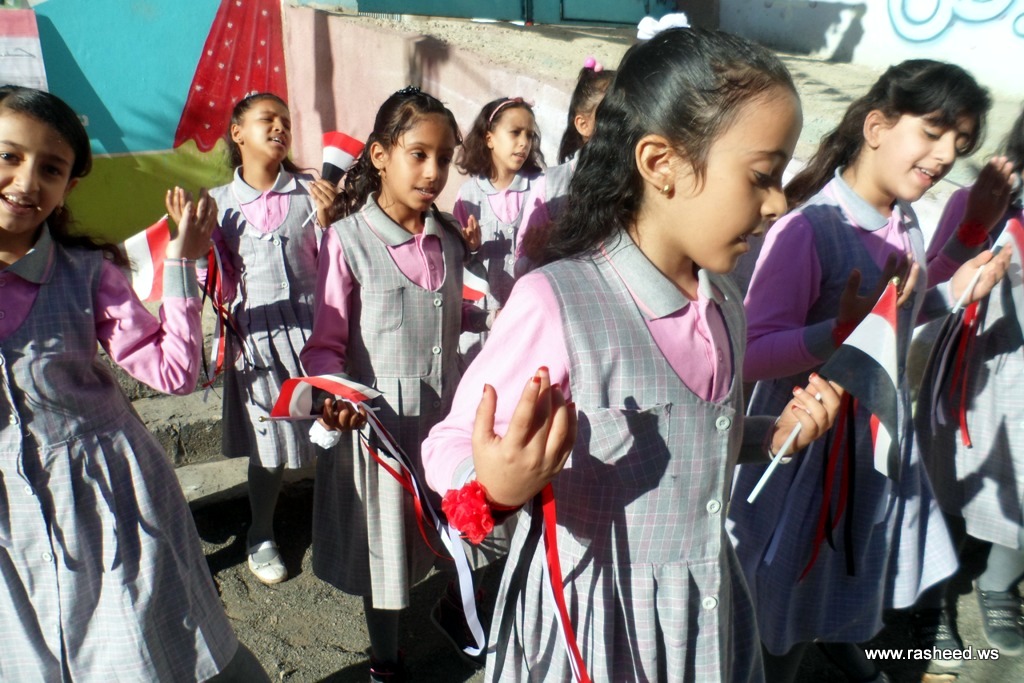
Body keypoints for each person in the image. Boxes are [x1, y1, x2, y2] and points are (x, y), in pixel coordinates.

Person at [421, 28, 843, 682]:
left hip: (704, 614)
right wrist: (494, 486)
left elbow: (702, 432)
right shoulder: (559, 303)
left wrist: (772, 434)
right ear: (659, 162)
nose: (778, 202)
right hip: (597, 627)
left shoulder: (725, 303)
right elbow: (448, 441)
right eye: (762, 175)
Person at [727, 60, 1012, 683]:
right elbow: (753, 351)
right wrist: (834, 333)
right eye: (933, 131)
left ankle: (842, 648)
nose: (946, 154)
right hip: (804, 454)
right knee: (782, 599)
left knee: (847, 574)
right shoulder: (808, 229)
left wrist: (957, 279)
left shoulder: (902, 219)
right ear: (877, 127)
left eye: (960, 143)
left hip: (870, 446)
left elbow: (901, 311)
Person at [0, 85, 268, 681]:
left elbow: (174, 372)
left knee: (157, 649)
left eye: (51, 168)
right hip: (10, 521)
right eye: (8, 156)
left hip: (109, 499)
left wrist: (183, 264)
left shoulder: (85, 274)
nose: (26, 181)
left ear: (69, 187)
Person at [299, 86, 484, 681]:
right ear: (380, 156)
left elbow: (452, 314)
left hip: (446, 418)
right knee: (386, 552)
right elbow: (325, 344)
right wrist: (334, 399)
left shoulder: (449, 239)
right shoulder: (348, 240)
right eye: (418, 155)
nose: (434, 173)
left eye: (445, 159)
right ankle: (386, 659)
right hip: (380, 430)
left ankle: (456, 608)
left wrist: (495, 317)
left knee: (463, 528)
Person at [192, 92, 337, 585]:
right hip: (257, 342)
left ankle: (339, 522)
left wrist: (330, 223)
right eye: (266, 119)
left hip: (316, 336)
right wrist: (200, 252)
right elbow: (216, 283)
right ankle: (260, 531)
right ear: (237, 133)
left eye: (285, 121)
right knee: (267, 445)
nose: (279, 127)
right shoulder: (218, 204)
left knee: (333, 435)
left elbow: (337, 265)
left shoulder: (311, 191)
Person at [914, 108, 1024, 660]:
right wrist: (980, 225)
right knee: (953, 480)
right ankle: (930, 596)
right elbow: (935, 277)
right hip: (978, 372)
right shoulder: (989, 201)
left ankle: (999, 582)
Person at [452, 96, 544, 362]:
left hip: (527, 314)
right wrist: (470, 247)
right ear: (489, 138)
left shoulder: (541, 188)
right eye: (515, 132)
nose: (524, 143)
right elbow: (457, 266)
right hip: (482, 319)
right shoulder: (469, 195)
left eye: (529, 135)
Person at [516, 58, 616, 274]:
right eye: (610, 115)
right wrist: (536, 254)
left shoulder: (635, 180)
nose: (621, 124)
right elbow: (521, 265)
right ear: (583, 124)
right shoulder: (552, 185)